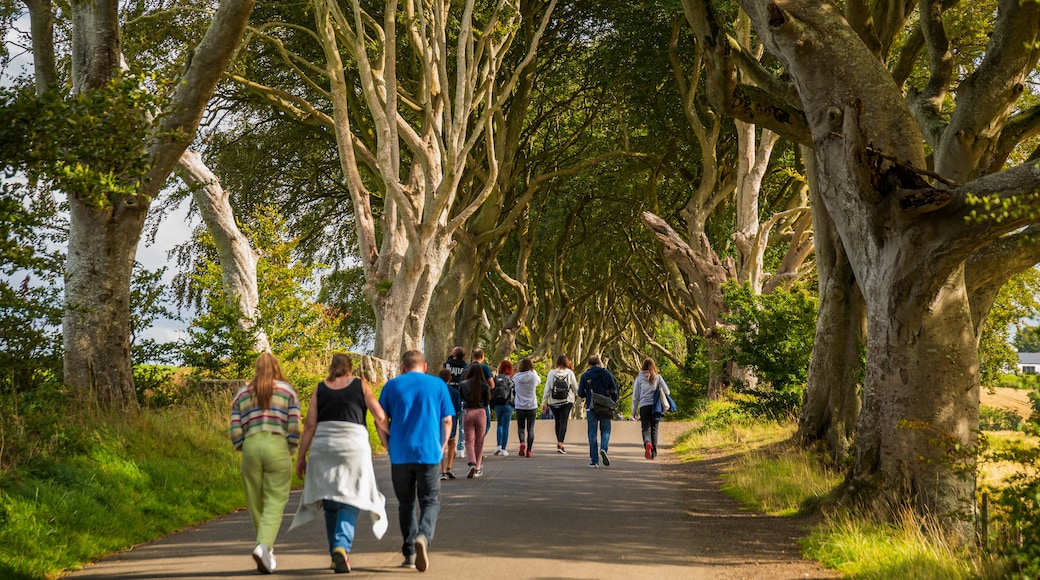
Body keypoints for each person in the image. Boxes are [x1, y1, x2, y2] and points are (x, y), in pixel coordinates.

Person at [290, 354, 389, 573]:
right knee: (352, 495)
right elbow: (379, 415)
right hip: (354, 445)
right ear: (350, 369)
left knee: (330, 496)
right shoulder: (360, 385)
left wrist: (301, 456)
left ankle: (336, 553)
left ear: (331, 368)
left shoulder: (320, 388)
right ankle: (341, 547)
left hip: (323, 447)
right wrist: (390, 437)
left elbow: (309, 425)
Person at [378, 350, 455, 572]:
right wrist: (441, 445)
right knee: (430, 501)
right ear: (425, 367)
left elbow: (380, 419)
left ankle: (410, 552)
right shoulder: (438, 385)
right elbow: (447, 420)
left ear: (402, 367)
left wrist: (387, 444)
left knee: (406, 504)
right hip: (428, 452)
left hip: (400, 454)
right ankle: (423, 536)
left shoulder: (391, 386)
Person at [228, 352, 301, 574]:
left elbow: (234, 426)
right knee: (276, 499)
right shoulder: (287, 391)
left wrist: (241, 444)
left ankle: (265, 547)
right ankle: (263, 546)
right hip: (277, 445)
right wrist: (291, 447)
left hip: (251, 445)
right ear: (277, 367)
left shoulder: (243, 392)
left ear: (257, 369)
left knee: (255, 500)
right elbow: (294, 425)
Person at [577, 355, 618, 468]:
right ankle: (603, 448)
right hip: (605, 407)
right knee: (606, 430)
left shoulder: (585, 376)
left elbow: (580, 393)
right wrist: (612, 402)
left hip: (591, 407)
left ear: (588, 364)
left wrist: (588, 395)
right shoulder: (606, 373)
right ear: (599, 363)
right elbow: (614, 390)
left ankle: (594, 460)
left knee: (592, 433)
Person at [631, 358, 672, 460]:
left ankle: (647, 443)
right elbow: (667, 392)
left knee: (646, 428)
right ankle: (653, 454)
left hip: (644, 406)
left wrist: (634, 410)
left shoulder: (639, 378)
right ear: (653, 366)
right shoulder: (657, 377)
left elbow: (635, 396)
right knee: (654, 429)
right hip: (655, 407)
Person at [540, 355, 579, 454]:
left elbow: (547, 388)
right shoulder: (570, 373)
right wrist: (580, 395)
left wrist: (544, 402)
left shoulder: (551, 373)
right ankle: (561, 443)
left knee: (557, 421)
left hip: (554, 401)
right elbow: (575, 387)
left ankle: (559, 442)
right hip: (567, 401)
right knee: (564, 422)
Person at [459, 363, 490, 477]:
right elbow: (487, 402)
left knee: (469, 441)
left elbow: (461, 398)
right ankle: (478, 467)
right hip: (480, 412)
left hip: (468, 412)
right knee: (479, 441)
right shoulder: (484, 386)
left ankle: (471, 462)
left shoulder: (463, 384)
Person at [512, 357, 541, 458]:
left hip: (519, 405)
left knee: (521, 427)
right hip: (531, 405)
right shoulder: (533, 376)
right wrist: (534, 371)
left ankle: (522, 443)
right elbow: (539, 381)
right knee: (531, 428)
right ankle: (529, 450)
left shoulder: (516, 377)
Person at [437, 368, 462, 480]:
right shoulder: (454, 392)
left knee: (441, 443)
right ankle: (449, 467)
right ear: (450, 378)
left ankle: (442, 471)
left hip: (437, 418)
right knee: (451, 442)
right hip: (451, 418)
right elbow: (458, 408)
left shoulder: (436, 391)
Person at [491, 359, 516, 456]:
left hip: (497, 404)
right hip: (508, 404)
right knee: (506, 426)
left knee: (499, 424)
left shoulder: (495, 379)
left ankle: (498, 445)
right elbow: (514, 392)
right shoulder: (511, 379)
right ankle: (504, 449)